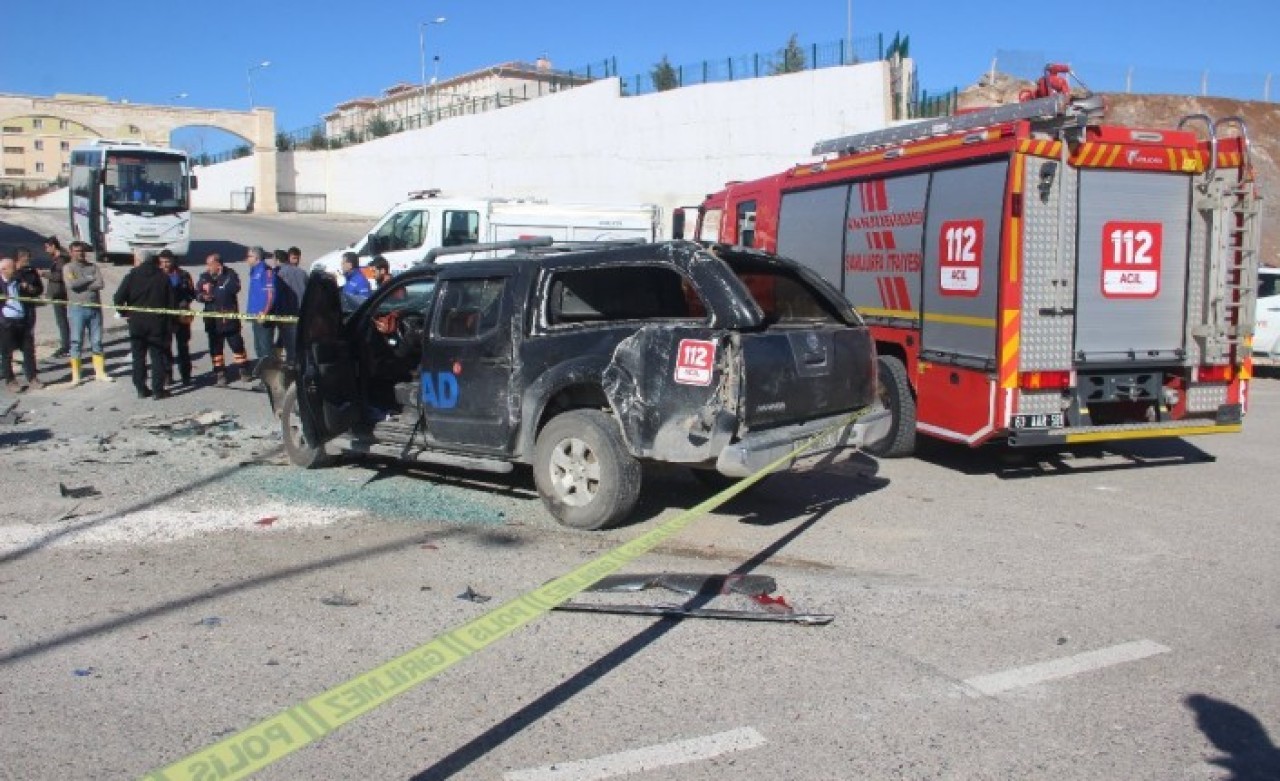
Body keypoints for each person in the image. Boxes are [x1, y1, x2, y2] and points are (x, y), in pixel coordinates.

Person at [113, 249, 175, 399]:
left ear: (138, 260)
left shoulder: (131, 276)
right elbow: (171, 303)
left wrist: (124, 312)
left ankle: (141, 388)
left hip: (137, 322)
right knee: (157, 356)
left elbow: (118, 298)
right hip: (157, 322)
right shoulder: (163, 277)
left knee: (138, 356)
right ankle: (158, 390)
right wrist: (170, 323)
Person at [63, 241, 113, 385]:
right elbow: (72, 285)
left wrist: (84, 282)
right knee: (76, 341)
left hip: (94, 308)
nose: (80, 253)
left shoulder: (93, 266)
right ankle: (76, 375)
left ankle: (100, 372)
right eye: (77, 251)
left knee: (97, 341)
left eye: (82, 251)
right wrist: (89, 279)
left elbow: (100, 284)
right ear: (71, 252)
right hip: (77, 308)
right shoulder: (68, 268)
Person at [196, 253, 249, 386]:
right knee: (216, 348)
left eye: (210, 264)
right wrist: (203, 296)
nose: (208, 267)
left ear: (218, 265)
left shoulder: (231, 275)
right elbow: (197, 293)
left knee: (237, 345)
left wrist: (216, 284)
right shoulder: (204, 277)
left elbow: (233, 289)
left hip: (229, 319)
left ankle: (243, 369)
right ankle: (220, 372)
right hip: (212, 320)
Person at [1, 258, 40, 392]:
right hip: (6, 322)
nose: (15, 271)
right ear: (4, 270)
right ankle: (10, 380)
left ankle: (32, 378)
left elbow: (35, 292)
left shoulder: (18, 280)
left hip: (23, 319)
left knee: (28, 350)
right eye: (12, 268)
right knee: (7, 353)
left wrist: (28, 287)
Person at [158, 250, 196, 385]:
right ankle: (168, 375)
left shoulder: (183, 275)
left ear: (173, 261)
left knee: (183, 347)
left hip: (181, 315)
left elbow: (192, 293)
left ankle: (186, 375)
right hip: (165, 317)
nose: (164, 265)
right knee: (165, 347)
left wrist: (184, 301)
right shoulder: (157, 275)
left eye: (167, 262)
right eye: (162, 262)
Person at [13, 248, 45, 389]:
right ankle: (9, 377)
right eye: (27, 258)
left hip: (28, 310)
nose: (29, 260)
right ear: (19, 258)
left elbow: (39, 288)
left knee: (28, 344)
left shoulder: (31, 272)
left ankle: (31, 375)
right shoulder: (10, 273)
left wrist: (32, 289)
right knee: (8, 346)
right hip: (11, 313)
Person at [272, 248, 307, 365]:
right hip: (300, 313)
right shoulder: (302, 273)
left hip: (286, 314)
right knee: (292, 341)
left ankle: (289, 366)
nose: (296, 261)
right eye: (294, 258)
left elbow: (276, 295)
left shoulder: (280, 274)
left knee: (288, 342)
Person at [244, 246, 276, 362]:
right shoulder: (254, 270)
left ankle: (271, 376)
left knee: (265, 348)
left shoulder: (266, 271)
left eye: (249, 256)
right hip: (254, 315)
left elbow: (270, 294)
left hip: (263, 315)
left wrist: (265, 312)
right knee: (258, 347)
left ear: (257, 257)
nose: (246, 259)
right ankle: (264, 374)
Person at [43, 237, 71, 359]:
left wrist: (44, 274)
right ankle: (66, 344)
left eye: (47, 247)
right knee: (61, 320)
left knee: (62, 320)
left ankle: (66, 345)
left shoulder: (62, 260)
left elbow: (59, 276)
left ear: (53, 246)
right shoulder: (58, 259)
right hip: (57, 293)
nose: (46, 250)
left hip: (60, 293)